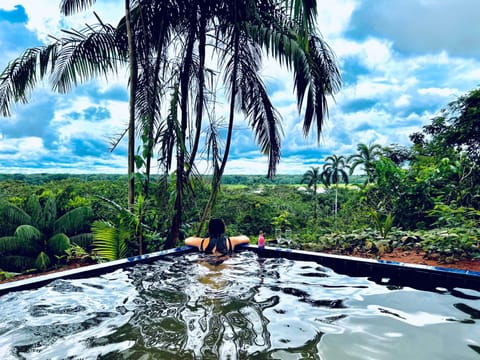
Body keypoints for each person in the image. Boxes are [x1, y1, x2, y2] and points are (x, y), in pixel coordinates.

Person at [185, 218, 249, 259]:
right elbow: (246, 238)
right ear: (223, 229)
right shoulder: (230, 241)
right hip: (224, 268)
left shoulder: (201, 242)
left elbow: (187, 240)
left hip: (206, 268)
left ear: (209, 230)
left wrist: (196, 238)